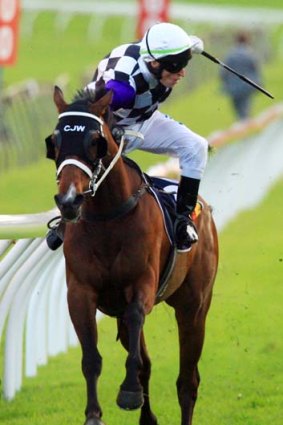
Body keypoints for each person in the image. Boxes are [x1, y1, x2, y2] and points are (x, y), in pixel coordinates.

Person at [47, 22, 207, 253]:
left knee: (197, 147)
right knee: (97, 174)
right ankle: (66, 221)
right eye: (177, 67)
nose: (182, 72)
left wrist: (193, 47)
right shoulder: (123, 83)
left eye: (184, 64)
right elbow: (90, 99)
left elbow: (180, 48)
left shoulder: (161, 54)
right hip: (110, 128)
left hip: (145, 120)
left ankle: (183, 220)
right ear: (153, 64)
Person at [220, 31, 261, 120]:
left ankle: (241, 124)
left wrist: (224, 84)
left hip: (233, 86)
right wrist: (258, 84)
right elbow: (255, 70)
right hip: (247, 86)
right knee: (245, 108)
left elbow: (224, 72)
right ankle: (245, 124)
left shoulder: (230, 54)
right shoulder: (250, 54)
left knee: (237, 109)